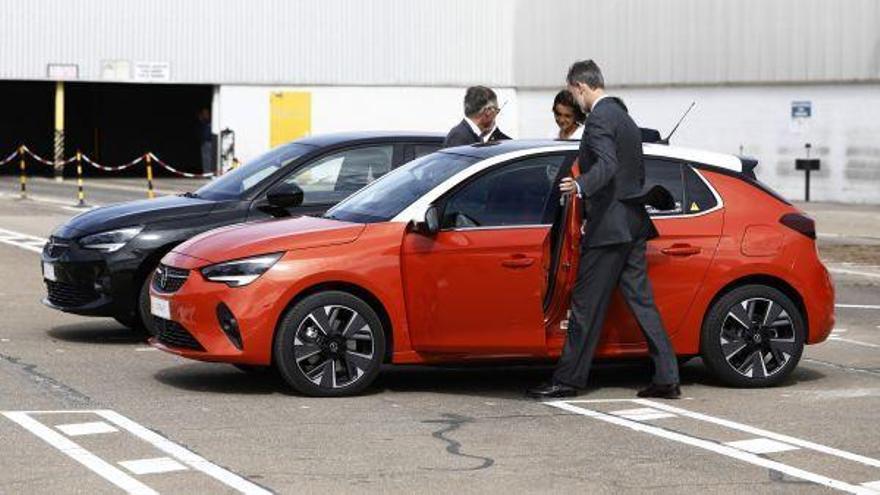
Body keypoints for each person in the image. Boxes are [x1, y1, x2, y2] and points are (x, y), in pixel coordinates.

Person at [527, 60, 681, 400]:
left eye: (572, 93)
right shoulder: (624, 116)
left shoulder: (598, 118)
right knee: (643, 304)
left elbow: (608, 165)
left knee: (584, 305)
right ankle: (667, 377)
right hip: (633, 224)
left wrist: (580, 185)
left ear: (580, 87)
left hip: (609, 229)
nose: (574, 100)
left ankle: (568, 379)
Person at [443, 86, 511, 148]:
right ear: (488, 111)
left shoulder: (469, 135)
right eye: (496, 110)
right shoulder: (458, 138)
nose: (496, 116)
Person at [197, 108, 214, 175]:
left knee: (210, 158)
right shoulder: (203, 122)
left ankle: (210, 172)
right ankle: (207, 172)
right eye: (204, 113)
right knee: (206, 159)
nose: (205, 115)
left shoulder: (211, 121)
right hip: (205, 142)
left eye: (206, 113)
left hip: (211, 142)